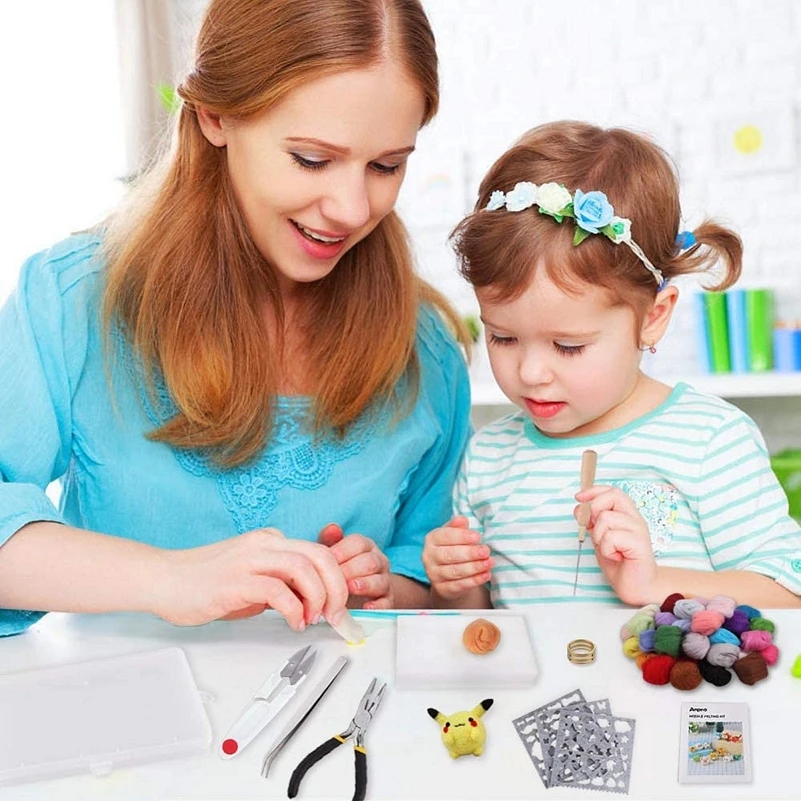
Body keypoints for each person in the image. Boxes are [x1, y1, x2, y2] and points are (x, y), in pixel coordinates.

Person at [0, 0, 472, 638]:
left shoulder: (426, 348)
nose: (352, 207)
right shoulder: (72, 300)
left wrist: (384, 586)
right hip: (133, 723)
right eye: (311, 158)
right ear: (215, 115)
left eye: (387, 165)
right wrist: (174, 579)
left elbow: (431, 575)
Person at [422, 121, 801, 610]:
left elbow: (788, 593)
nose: (532, 372)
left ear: (653, 318)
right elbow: (479, 628)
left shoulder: (709, 440)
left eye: (569, 346)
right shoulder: (489, 457)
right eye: (503, 336)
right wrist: (457, 584)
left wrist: (653, 583)